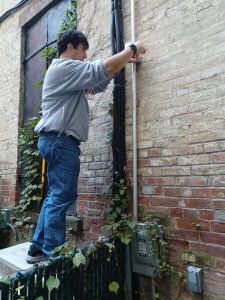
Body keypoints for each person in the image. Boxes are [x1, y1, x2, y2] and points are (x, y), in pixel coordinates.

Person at [26, 29, 147, 263]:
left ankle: (37, 249)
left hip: (56, 140)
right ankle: (53, 256)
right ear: (70, 47)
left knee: (55, 196)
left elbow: (98, 83)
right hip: (61, 141)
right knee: (62, 195)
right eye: (83, 50)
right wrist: (131, 49)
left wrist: (122, 61)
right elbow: (98, 70)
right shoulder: (63, 67)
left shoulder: (66, 74)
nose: (84, 56)